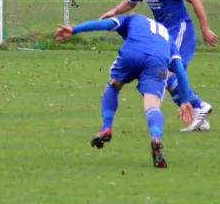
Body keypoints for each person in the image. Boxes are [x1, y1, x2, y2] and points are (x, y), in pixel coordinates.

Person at [100, 0, 218, 132]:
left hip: (180, 30)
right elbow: (131, 2)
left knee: (167, 72)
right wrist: (114, 11)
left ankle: (200, 106)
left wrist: (205, 29)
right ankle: (200, 118)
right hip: (163, 35)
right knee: (163, 77)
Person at [54, 14, 195, 168]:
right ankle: (155, 137)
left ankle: (106, 128)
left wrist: (74, 29)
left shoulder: (132, 18)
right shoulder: (168, 38)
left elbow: (104, 24)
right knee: (152, 104)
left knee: (113, 85)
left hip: (133, 53)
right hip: (157, 60)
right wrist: (185, 100)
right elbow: (180, 71)